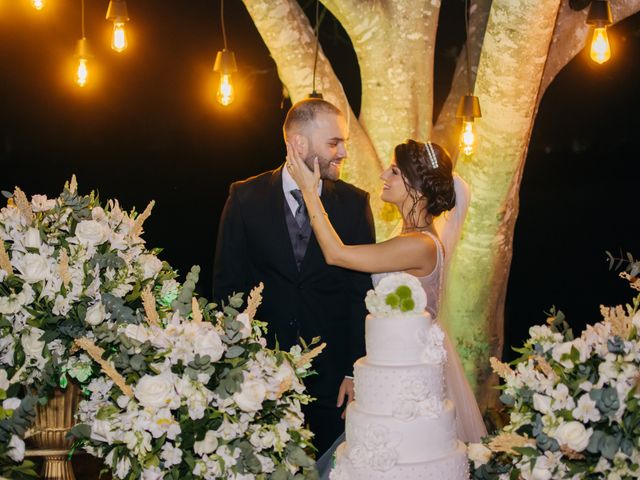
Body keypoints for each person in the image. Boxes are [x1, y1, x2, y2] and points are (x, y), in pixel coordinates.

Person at [286, 138, 487, 472]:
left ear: (418, 187)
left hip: (410, 388)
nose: (384, 174)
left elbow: (337, 254)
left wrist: (310, 192)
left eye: (394, 170)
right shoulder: (408, 236)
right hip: (390, 372)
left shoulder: (420, 245)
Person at [213, 98, 376, 456]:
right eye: (334, 143)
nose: (344, 152)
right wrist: (237, 363)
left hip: (332, 377)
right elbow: (228, 289)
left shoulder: (354, 204)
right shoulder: (244, 197)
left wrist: (354, 371)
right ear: (298, 143)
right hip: (261, 373)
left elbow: (360, 295)